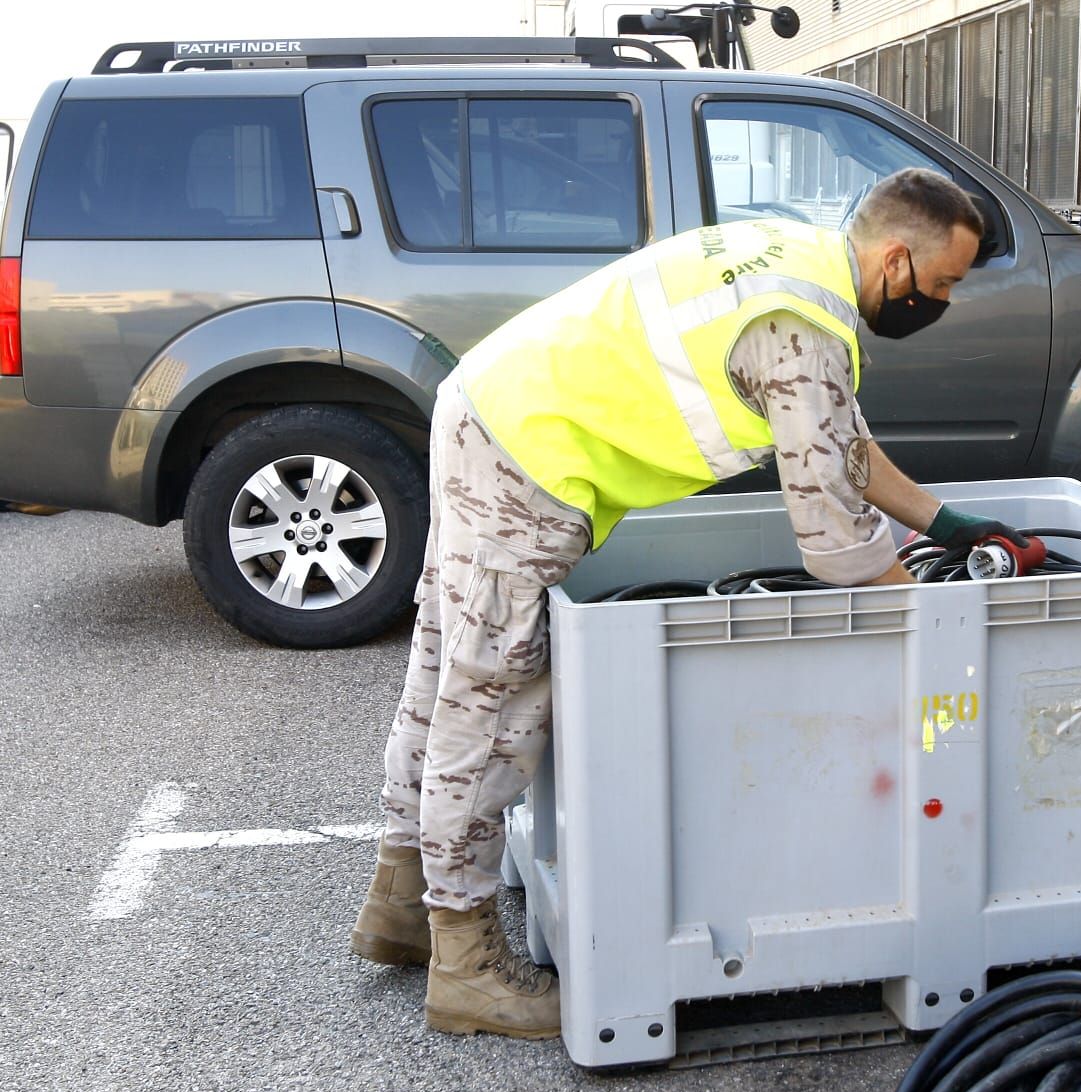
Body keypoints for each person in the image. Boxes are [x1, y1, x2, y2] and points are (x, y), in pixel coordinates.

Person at [349, 168, 1030, 1038]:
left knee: (446, 670)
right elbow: (835, 547)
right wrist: (943, 626)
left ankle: (402, 906)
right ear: (896, 260)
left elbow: (841, 445)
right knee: (492, 708)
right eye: (943, 283)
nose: (943, 299)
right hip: (526, 463)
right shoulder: (802, 331)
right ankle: (465, 966)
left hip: (487, 414)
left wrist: (948, 521)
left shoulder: (791, 263)